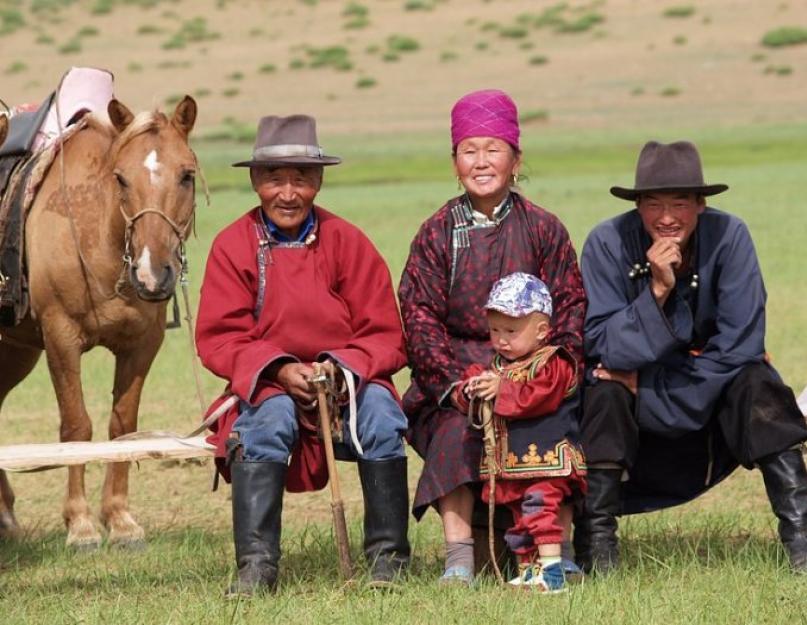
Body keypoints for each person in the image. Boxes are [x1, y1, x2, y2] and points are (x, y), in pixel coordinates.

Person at [195, 115, 411, 595]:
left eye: (301, 178)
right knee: (266, 423)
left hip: (347, 382)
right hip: (269, 382)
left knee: (381, 416)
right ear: (255, 181)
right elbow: (220, 338)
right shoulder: (233, 246)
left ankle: (388, 561)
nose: (287, 193)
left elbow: (386, 334)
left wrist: (341, 366)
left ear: (319, 181)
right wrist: (278, 367)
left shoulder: (347, 241)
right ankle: (256, 568)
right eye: (274, 178)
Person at [576, 140, 807, 574]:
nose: (666, 218)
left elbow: (741, 348)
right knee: (604, 391)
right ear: (637, 205)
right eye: (653, 204)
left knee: (760, 385)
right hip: (633, 409)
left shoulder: (730, 236)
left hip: (703, 397)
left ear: (701, 204)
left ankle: (802, 540)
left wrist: (651, 388)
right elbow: (602, 346)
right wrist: (658, 290)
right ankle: (597, 548)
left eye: (680, 202)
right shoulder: (607, 242)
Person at [398, 89, 587, 585]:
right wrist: (461, 385)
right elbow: (418, 316)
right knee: (454, 431)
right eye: (469, 150)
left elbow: (569, 306)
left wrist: (544, 378)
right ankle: (460, 557)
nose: (481, 162)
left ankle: (558, 549)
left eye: (493, 149)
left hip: (535, 374)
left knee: (554, 428)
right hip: (459, 376)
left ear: (516, 158)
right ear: (454, 160)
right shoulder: (436, 232)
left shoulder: (545, 228)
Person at [452, 273, 586, 591]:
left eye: (511, 331)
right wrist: (470, 390)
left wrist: (502, 389)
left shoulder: (554, 363)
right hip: (510, 465)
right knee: (520, 520)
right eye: (495, 330)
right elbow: (463, 391)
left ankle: (552, 575)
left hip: (547, 461)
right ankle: (529, 572)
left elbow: (538, 396)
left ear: (542, 331)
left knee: (540, 511)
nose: (501, 339)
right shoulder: (495, 367)